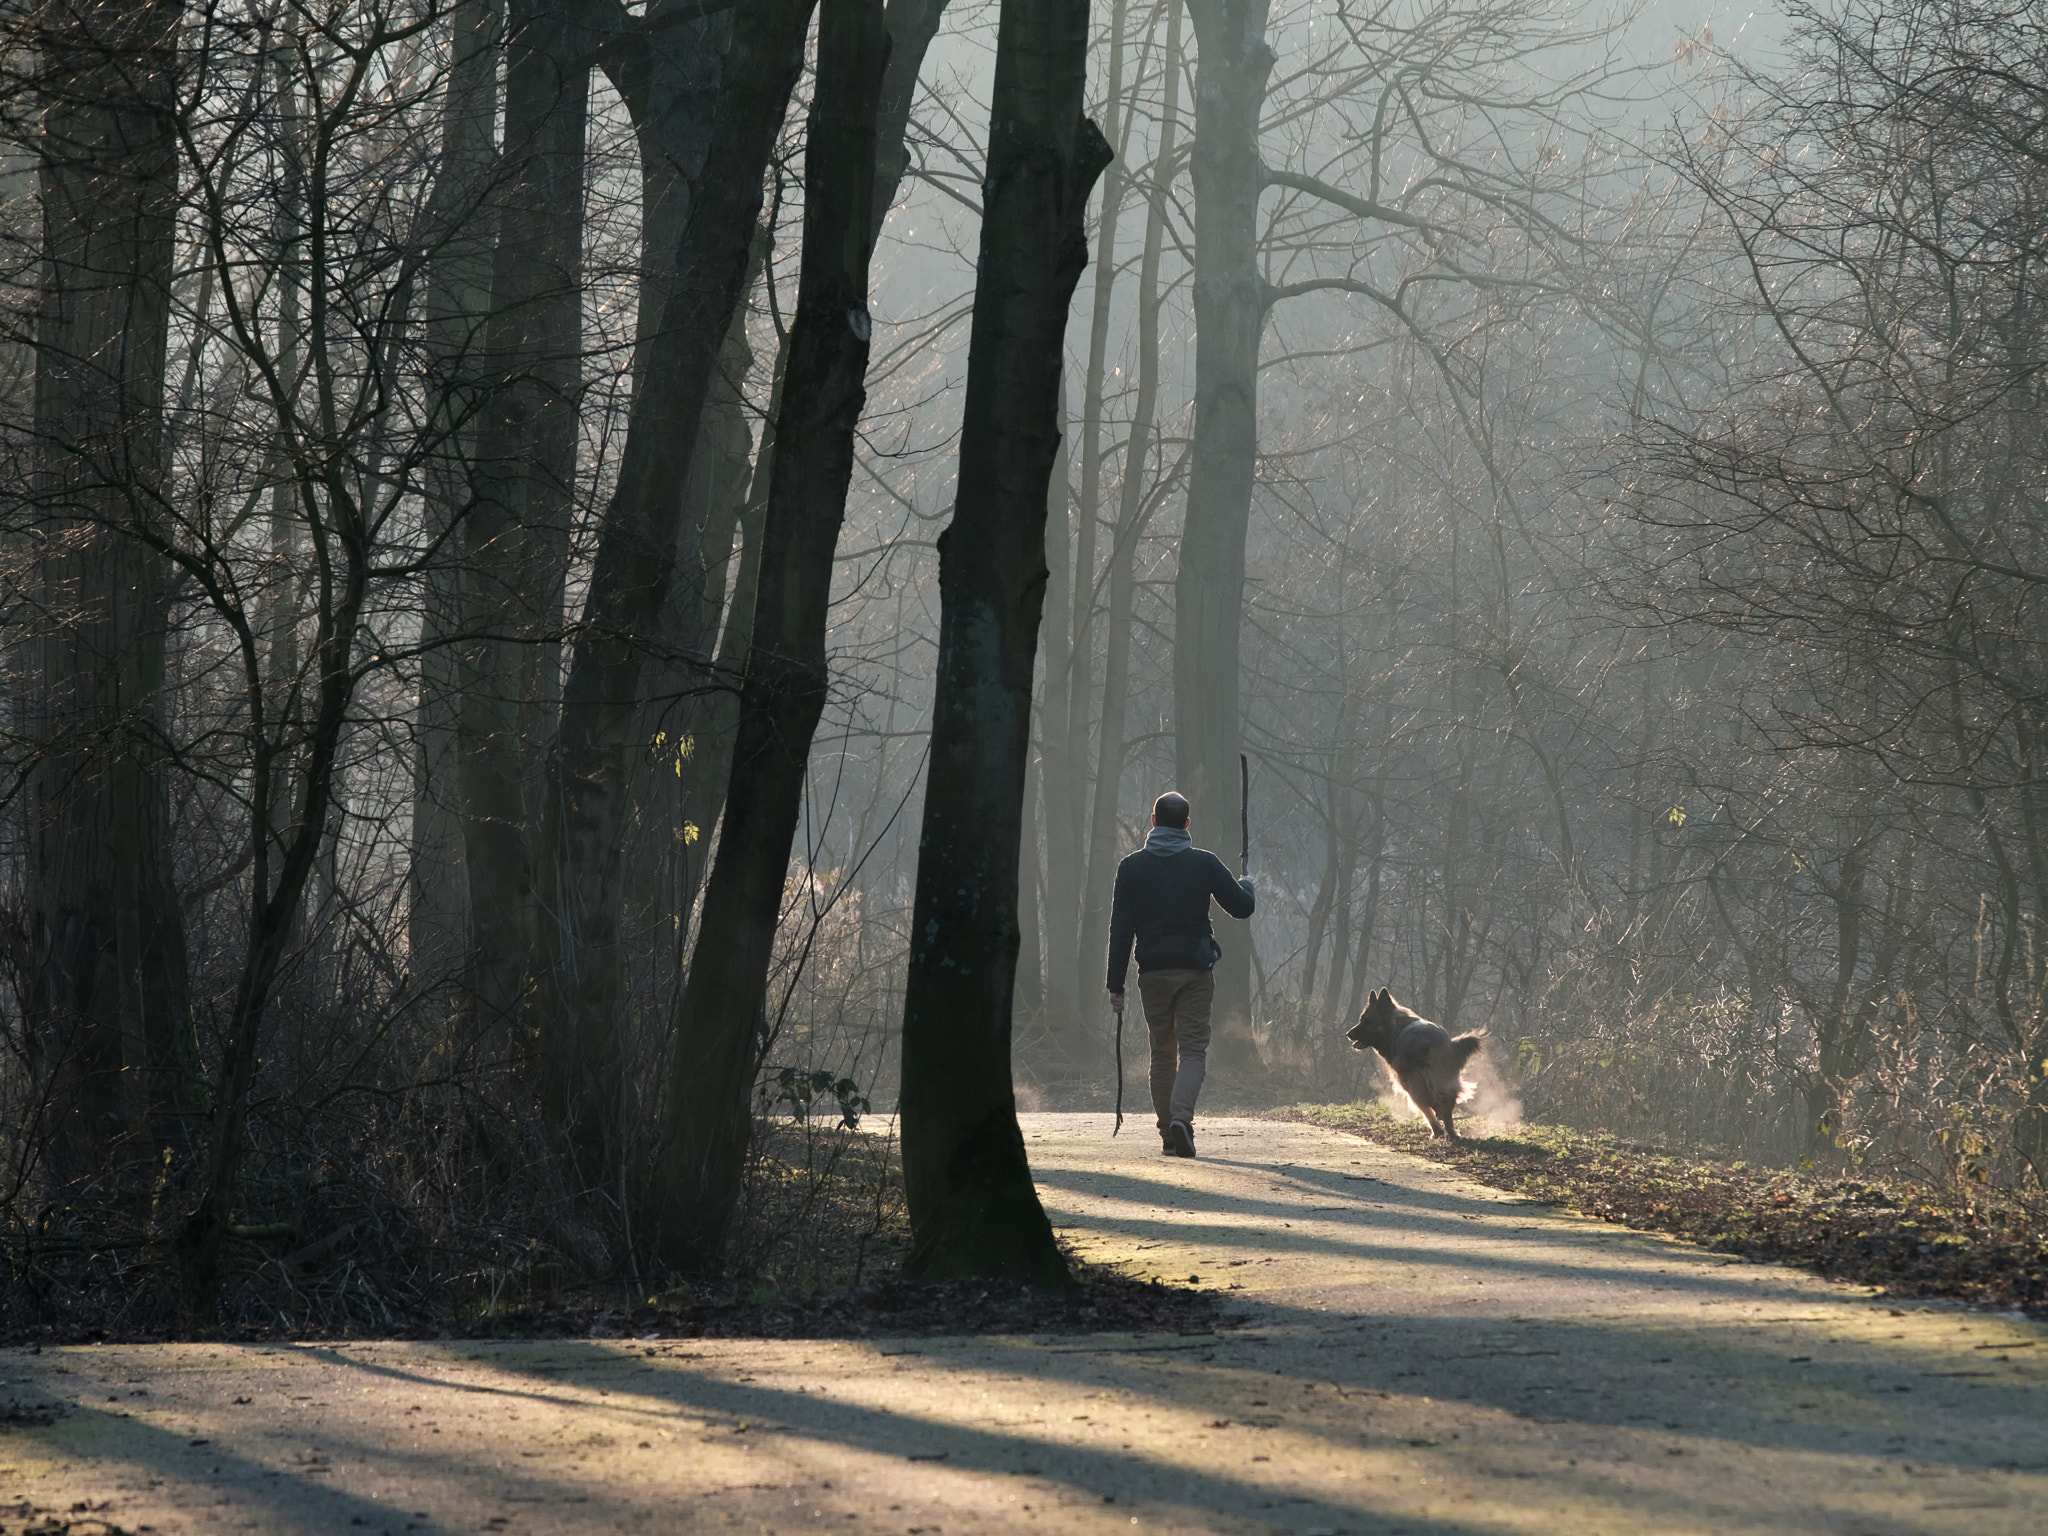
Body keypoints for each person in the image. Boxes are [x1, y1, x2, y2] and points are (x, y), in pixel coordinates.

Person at [1105, 790, 1256, 1158]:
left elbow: (1120, 929)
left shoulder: (1130, 868)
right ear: (1187, 824)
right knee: (1192, 1051)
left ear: (1153, 821)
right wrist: (1247, 883)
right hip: (1194, 971)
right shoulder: (1203, 863)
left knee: (1162, 1052)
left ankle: (1169, 1134)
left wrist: (1115, 984)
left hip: (1152, 973)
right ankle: (1181, 1119)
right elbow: (1241, 907)